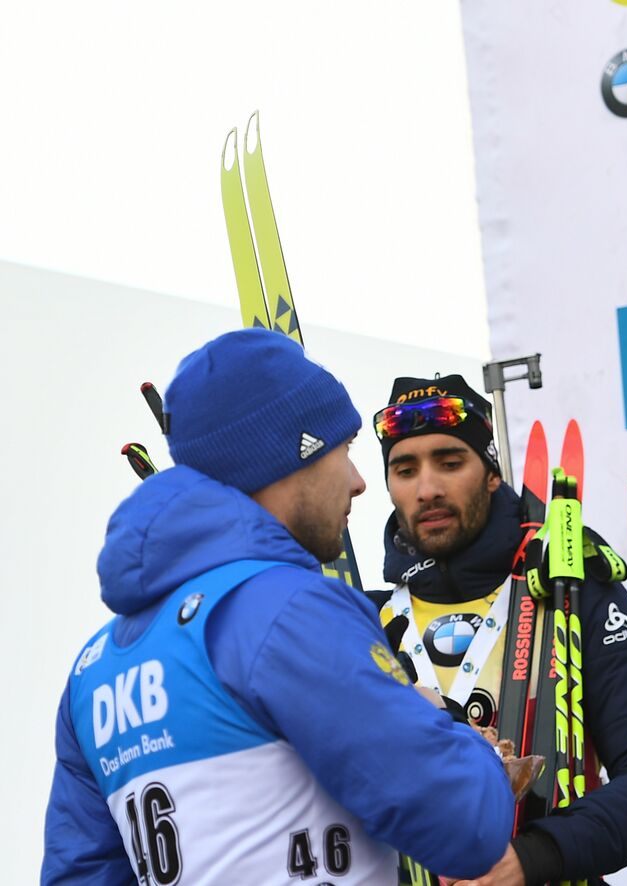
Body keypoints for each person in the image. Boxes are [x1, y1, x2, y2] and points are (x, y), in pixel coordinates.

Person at [42, 329, 515, 884]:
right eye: (344, 450)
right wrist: (452, 732)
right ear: (298, 455)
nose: (359, 482)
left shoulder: (93, 667)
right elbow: (465, 824)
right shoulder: (292, 611)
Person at [371, 375, 627, 886]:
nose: (427, 489)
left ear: (491, 474)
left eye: (450, 463)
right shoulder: (367, 621)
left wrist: (532, 858)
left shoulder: (568, 593)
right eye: (405, 469)